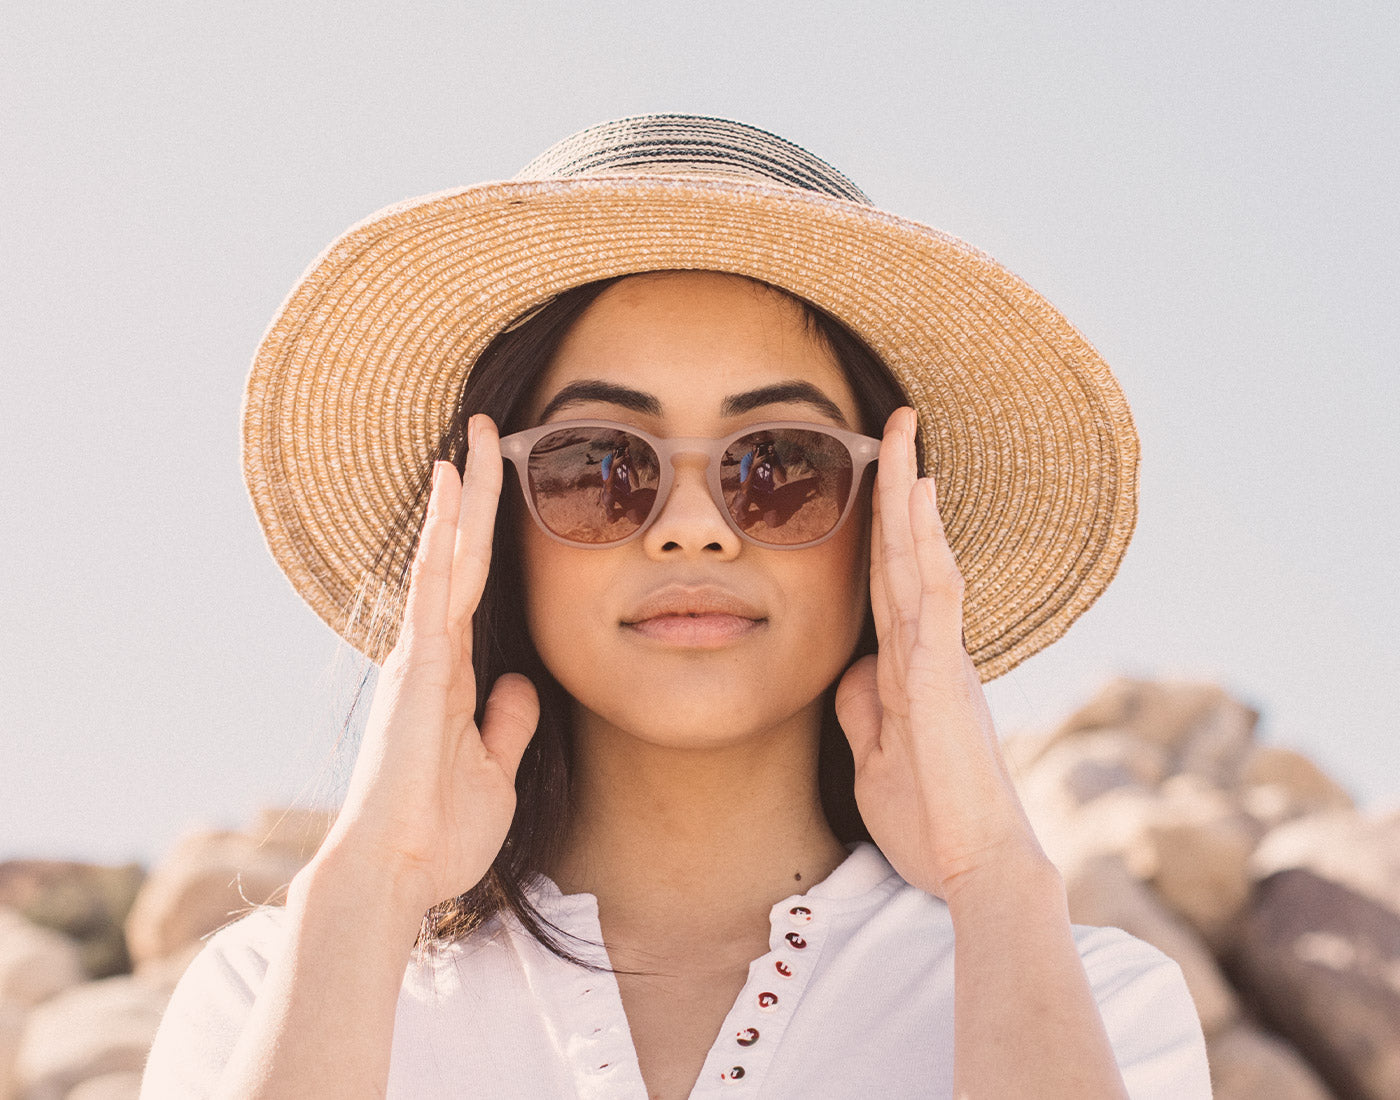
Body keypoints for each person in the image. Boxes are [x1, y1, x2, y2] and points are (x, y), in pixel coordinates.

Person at [142, 115, 1210, 1097]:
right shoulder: (270, 991)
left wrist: (995, 882)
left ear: (888, 519)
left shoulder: (1094, 1002)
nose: (692, 525)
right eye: (597, 462)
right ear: (487, 522)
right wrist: (370, 885)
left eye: (779, 463)